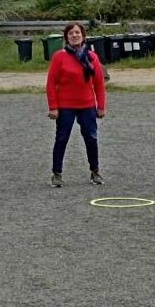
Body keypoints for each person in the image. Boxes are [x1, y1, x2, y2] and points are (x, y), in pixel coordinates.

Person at [46, 22, 106, 187]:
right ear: (66, 37)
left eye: (77, 33)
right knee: (62, 138)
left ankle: (95, 171)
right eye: (71, 33)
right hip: (65, 105)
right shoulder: (59, 57)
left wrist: (100, 106)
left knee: (91, 138)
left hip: (87, 105)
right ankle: (57, 173)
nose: (74, 35)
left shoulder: (91, 57)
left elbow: (99, 83)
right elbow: (51, 83)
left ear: (83, 36)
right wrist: (53, 107)